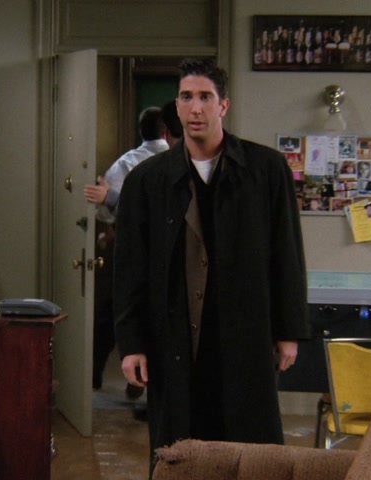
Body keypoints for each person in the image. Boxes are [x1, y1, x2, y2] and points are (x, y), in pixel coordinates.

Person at [113, 58, 310, 475]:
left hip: (244, 331)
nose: (195, 107)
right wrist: (131, 343)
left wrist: (288, 331)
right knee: (179, 450)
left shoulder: (266, 169)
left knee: (250, 448)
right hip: (174, 335)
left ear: (223, 106)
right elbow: (129, 269)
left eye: (205, 97)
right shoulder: (146, 180)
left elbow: (287, 253)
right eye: (186, 97)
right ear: (177, 106)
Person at [84, 106, 170, 393]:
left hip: (129, 248)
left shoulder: (126, 163)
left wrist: (111, 209)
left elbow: (104, 213)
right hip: (165, 253)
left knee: (116, 311)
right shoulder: (175, 162)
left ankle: (97, 374)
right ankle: (142, 382)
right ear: (166, 131)